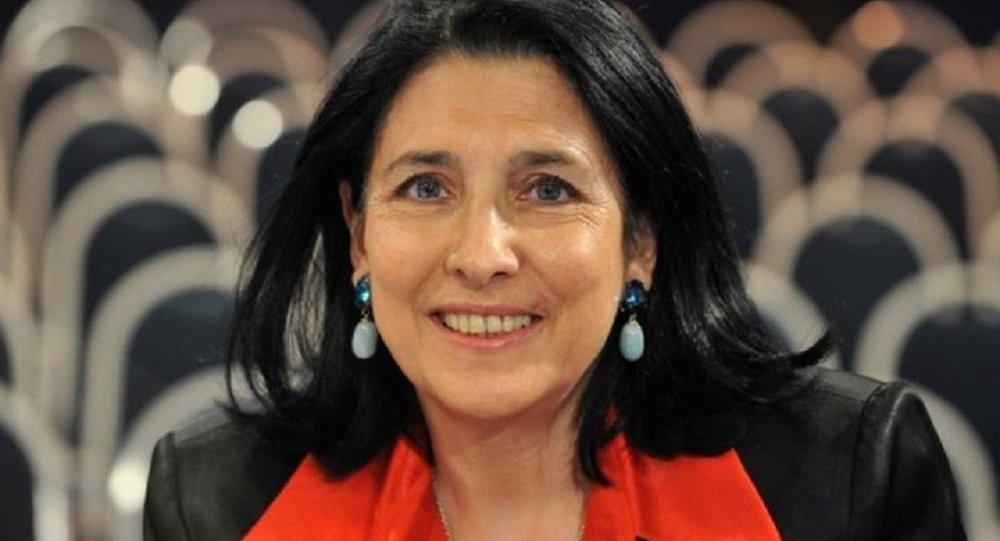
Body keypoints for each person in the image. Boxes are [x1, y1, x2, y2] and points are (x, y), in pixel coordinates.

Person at [143, 0, 966, 539]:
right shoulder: (216, 504)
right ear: (358, 234)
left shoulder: (850, 482)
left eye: (547, 189)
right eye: (425, 187)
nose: (482, 255)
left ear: (641, 240)